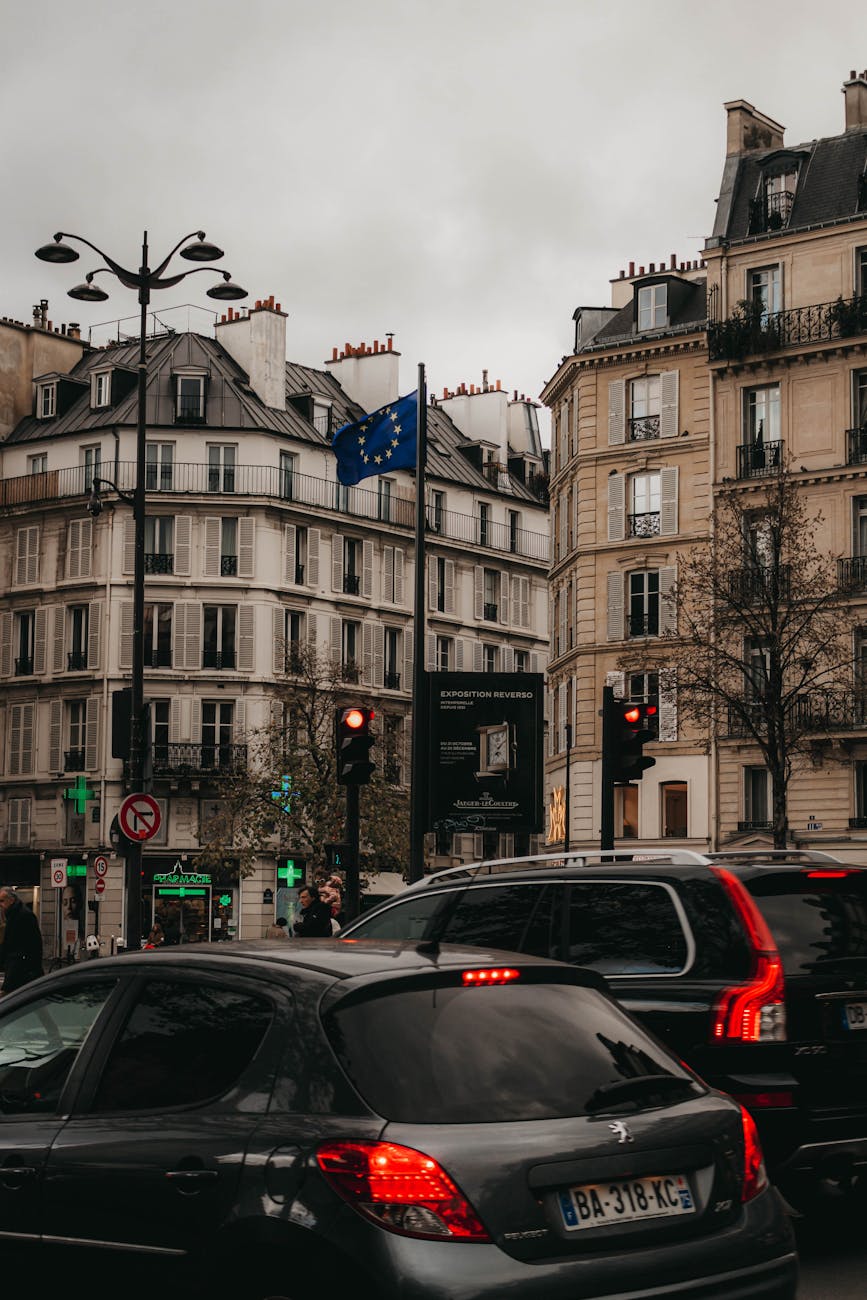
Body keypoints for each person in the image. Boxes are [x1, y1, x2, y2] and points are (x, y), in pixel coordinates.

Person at [0, 886, 44, 993]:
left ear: (11, 900)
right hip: (19, 970)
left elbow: (18, 951)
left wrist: (8, 984)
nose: (0, 904)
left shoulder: (23, 916)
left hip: (23, 972)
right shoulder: (11, 915)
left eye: (2, 901)